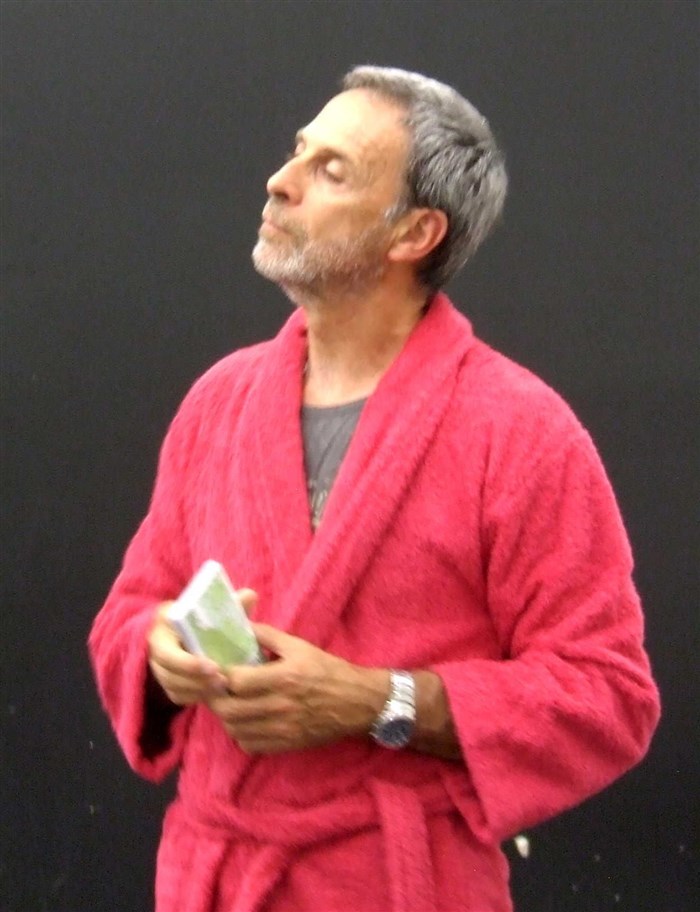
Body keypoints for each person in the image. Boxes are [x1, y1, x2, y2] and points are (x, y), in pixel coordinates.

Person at [89, 66, 660, 912]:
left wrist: (376, 702)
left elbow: (608, 695)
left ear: (415, 233)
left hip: (396, 883)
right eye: (297, 152)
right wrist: (161, 646)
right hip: (217, 876)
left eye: (331, 170)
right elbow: (131, 611)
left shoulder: (519, 429)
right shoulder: (219, 402)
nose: (279, 181)